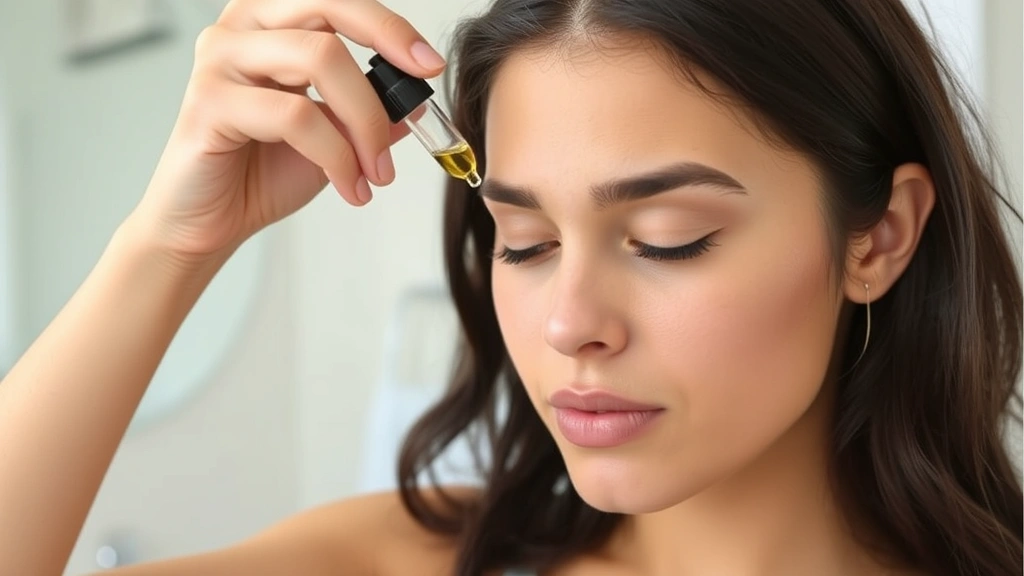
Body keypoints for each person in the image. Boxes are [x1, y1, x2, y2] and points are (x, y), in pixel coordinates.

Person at [1, 0, 1021, 574]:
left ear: (880, 236)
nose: (570, 323)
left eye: (667, 241)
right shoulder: (405, 562)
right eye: (525, 243)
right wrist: (166, 248)